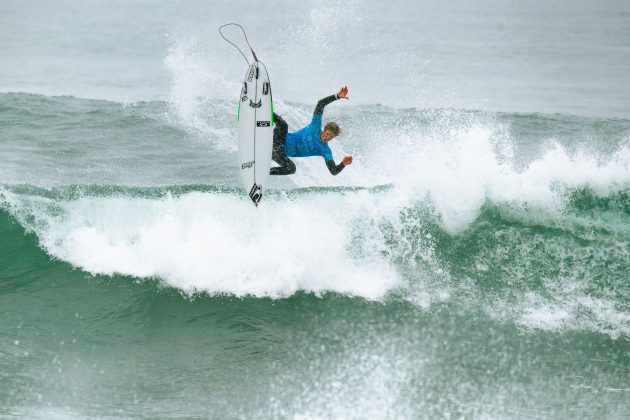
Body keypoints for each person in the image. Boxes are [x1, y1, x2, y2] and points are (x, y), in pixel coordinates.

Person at [270, 86, 353, 176]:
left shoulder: (325, 150)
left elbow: (333, 171)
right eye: (328, 134)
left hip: (278, 153)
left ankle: (263, 172)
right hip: (279, 139)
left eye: (331, 137)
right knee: (283, 125)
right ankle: (264, 111)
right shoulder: (315, 126)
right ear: (324, 129)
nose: (328, 137)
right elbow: (321, 104)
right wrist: (337, 96)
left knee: (291, 169)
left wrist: (343, 164)